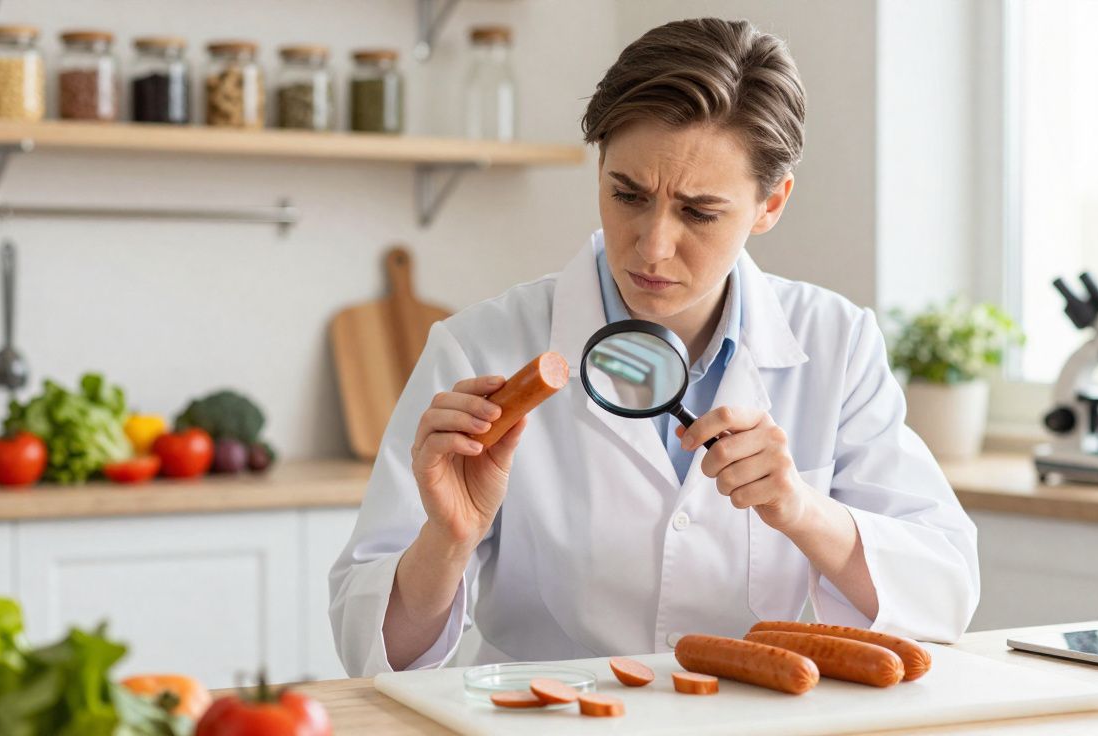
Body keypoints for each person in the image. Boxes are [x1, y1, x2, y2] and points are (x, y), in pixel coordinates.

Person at [330, 17, 979, 676]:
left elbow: (945, 595)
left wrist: (801, 510)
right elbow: (373, 654)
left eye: (698, 212)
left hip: (749, 718)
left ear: (770, 204)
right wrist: (449, 538)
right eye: (627, 195)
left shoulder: (836, 342)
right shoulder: (481, 347)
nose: (652, 245)